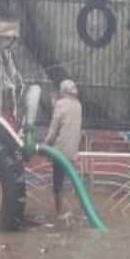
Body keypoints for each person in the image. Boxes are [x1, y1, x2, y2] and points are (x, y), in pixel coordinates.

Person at [43, 79, 83, 217]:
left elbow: (54, 130)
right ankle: (79, 210)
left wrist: (45, 144)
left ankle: (58, 213)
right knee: (73, 181)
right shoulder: (78, 105)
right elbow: (67, 122)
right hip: (73, 152)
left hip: (60, 152)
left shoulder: (60, 104)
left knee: (57, 185)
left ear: (63, 91)